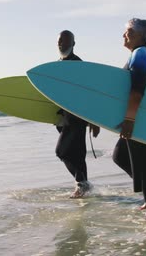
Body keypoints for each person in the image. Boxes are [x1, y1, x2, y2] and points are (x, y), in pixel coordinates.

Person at [112, 18, 146, 219]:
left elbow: (137, 90)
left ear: (141, 36)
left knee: (143, 164)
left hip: (140, 117)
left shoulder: (141, 54)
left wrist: (130, 120)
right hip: (139, 115)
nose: (124, 35)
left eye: (129, 32)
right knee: (120, 155)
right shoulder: (138, 53)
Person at [55, 30, 100, 198]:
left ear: (74, 44)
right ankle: (82, 186)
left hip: (77, 117)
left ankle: (82, 183)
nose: (62, 44)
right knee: (76, 154)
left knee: (62, 151)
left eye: (66, 42)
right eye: (60, 41)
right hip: (64, 117)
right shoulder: (57, 64)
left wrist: (93, 120)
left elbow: (89, 93)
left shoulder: (78, 64)